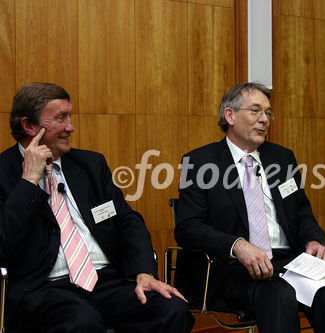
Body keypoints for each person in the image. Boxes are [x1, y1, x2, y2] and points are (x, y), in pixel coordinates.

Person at [0, 82, 194, 332]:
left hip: (104, 283)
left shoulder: (90, 165)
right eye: (61, 118)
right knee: (82, 322)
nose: (71, 127)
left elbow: (128, 222)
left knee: (172, 309)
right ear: (29, 126)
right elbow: (4, 243)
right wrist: (28, 183)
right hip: (44, 290)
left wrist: (144, 272)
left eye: (70, 117)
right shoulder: (4, 173)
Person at [174, 82, 325, 333]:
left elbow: (301, 212)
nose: (264, 120)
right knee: (279, 295)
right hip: (231, 268)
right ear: (230, 115)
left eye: (268, 113)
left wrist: (314, 239)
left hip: (286, 262)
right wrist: (237, 245)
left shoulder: (281, 158)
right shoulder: (200, 162)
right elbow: (187, 227)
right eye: (256, 111)